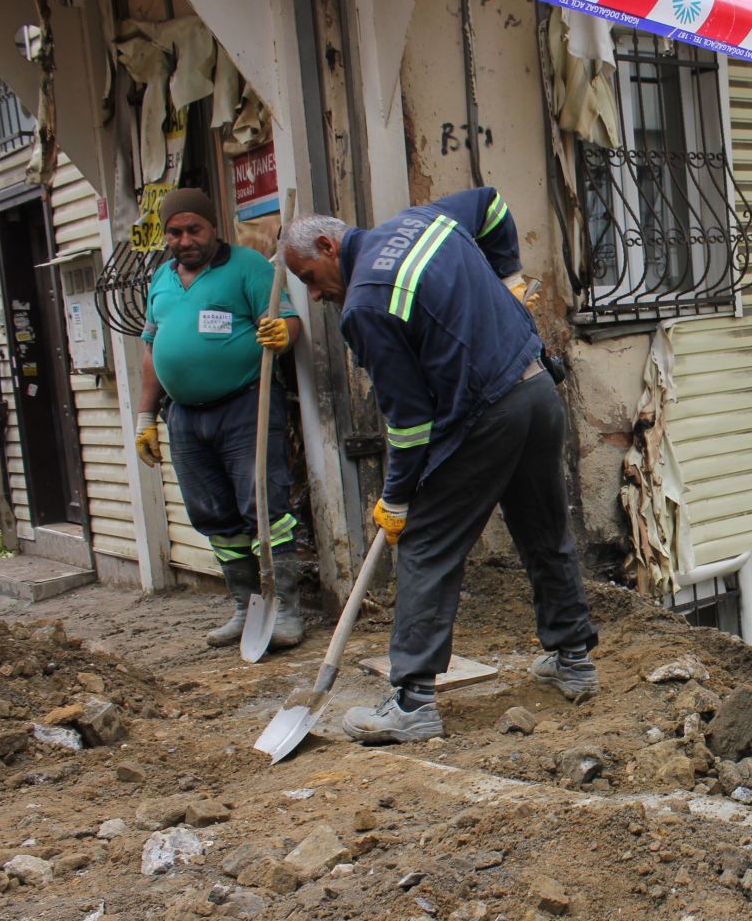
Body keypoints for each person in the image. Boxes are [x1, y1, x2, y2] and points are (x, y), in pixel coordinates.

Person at [282, 187, 599, 745]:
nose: (313, 294)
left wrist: (398, 497)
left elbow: (408, 420)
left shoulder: (364, 304)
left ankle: (412, 703)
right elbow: (494, 204)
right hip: (537, 391)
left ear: (329, 246)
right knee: (544, 530)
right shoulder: (421, 221)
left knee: (427, 545)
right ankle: (573, 659)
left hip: (488, 413)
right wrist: (510, 279)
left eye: (309, 277)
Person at [133, 188, 306, 652]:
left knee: (263, 505)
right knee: (211, 514)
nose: (185, 239)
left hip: (245, 404)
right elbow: (152, 352)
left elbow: (289, 322)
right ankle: (244, 608)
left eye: (195, 229)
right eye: (175, 232)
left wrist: (281, 333)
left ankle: (286, 608)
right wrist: (145, 417)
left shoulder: (247, 268)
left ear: (214, 228)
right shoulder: (162, 281)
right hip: (185, 416)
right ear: (165, 236)